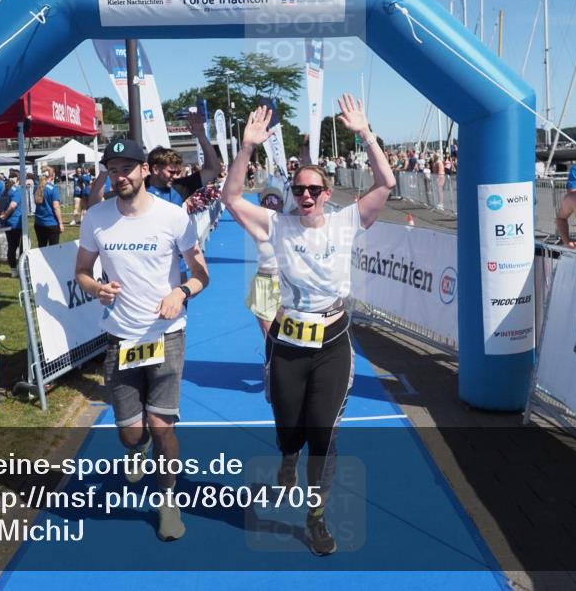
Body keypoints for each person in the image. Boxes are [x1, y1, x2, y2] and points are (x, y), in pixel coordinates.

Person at [220, 94, 395, 556]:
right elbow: (231, 196)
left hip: (333, 341)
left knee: (324, 431)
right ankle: (286, 456)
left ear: (327, 193)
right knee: (289, 429)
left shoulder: (345, 222)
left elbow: (386, 182)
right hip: (287, 342)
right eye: (300, 190)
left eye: (314, 190)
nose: (307, 197)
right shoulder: (276, 225)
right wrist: (247, 147)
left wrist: (365, 133)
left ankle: (315, 515)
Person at [74, 138, 209, 541]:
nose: (120, 176)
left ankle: (168, 503)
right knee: (132, 432)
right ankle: (137, 449)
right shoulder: (95, 217)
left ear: (145, 170)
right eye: (113, 169)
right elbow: (82, 270)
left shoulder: (173, 217)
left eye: (127, 168)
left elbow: (201, 274)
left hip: (166, 335)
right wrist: (97, 288)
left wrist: (180, 293)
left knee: (161, 424)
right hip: (120, 337)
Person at [246, 187, 284, 342]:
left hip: (287, 283)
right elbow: (231, 202)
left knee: (288, 335)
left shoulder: (294, 223)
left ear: (282, 203)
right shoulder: (255, 226)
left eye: (274, 200)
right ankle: (270, 364)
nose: (271, 204)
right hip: (263, 283)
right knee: (269, 337)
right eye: (267, 201)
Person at [0, 174, 25, 277]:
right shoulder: (17, 190)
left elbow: (1, 203)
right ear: (18, 180)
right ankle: (21, 269)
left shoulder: (6, 190)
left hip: (8, 224)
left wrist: (3, 215)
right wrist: (5, 215)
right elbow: (13, 205)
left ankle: (14, 270)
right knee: (22, 247)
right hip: (16, 224)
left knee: (11, 247)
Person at [33, 167, 64, 247]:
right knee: (53, 250)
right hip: (51, 223)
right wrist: (60, 223)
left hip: (39, 223)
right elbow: (56, 207)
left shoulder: (37, 188)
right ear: (52, 175)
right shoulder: (53, 189)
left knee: (41, 248)